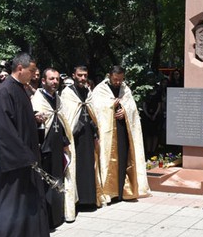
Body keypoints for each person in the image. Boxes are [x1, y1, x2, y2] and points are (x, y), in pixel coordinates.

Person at [0, 52, 50, 237]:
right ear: (20, 68)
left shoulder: (20, 88)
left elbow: (19, 118)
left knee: (24, 196)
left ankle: (25, 235)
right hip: (12, 157)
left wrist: (33, 118)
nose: (34, 74)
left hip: (24, 153)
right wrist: (23, 154)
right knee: (11, 198)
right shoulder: (4, 91)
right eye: (31, 71)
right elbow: (5, 128)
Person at [89, 66, 150, 205]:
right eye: (115, 79)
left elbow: (132, 108)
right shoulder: (100, 90)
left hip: (122, 130)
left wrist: (125, 112)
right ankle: (110, 192)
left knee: (123, 159)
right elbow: (96, 109)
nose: (118, 82)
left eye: (120, 80)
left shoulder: (125, 89)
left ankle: (123, 191)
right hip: (107, 133)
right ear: (109, 76)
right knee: (108, 160)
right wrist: (111, 106)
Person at [32, 68, 75, 227]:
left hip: (58, 147)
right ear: (43, 80)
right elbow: (33, 123)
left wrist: (65, 142)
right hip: (44, 148)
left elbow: (62, 122)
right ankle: (46, 220)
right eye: (51, 79)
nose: (55, 82)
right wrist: (37, 119)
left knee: (58, 182)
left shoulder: (58, 99)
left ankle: (57, 216)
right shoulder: (37, 99)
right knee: (46, 184)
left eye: (57, 79)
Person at [61, 65, 99, 208]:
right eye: (80, 75)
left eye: (85, 75)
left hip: (88, 135)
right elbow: (67, 116)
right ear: (73, 75)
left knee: (89, 165)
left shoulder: (88, 92)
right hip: (75, 136)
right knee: (77, 167)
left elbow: (93, 113)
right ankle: (78, 201)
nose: (83, 78)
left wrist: (95, 132)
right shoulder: (67, 93)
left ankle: (89, 199)